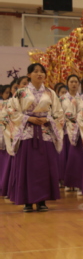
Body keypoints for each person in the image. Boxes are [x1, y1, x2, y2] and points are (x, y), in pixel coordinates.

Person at [6, 63, 65, 212]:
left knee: (43, 168)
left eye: (42, 72)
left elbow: (59, 113)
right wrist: (28, 118)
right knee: (27, 168)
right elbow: (11, 111)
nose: (39, 74)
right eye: (36, 71)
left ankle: (41, 201)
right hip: (26, 133)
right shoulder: (21, 92)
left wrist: (48, 119)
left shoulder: (50, 93)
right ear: (29, 75)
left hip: (45, 133)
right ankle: (27, 201)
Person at [60, 74, 82, 192]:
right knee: (66, 157)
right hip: (65, 131)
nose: (74, 84)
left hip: (80, 131)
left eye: (76, 82)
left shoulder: (82, 99)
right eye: (71, 81)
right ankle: (67, 182)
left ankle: (78, 183)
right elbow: (58, 113)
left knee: (77, 158)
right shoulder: (62, 99)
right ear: (67, 84)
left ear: (79, 84)